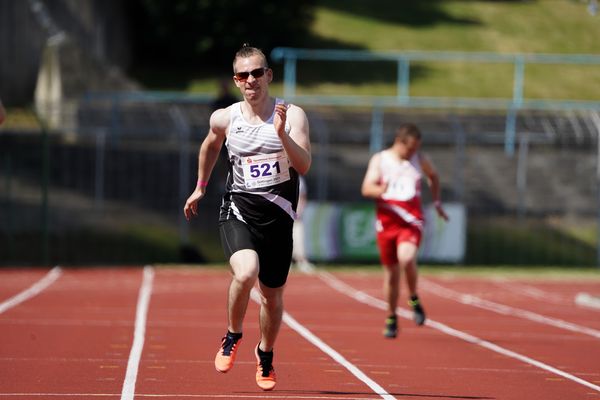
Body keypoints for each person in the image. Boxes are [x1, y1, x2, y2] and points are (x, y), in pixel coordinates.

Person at [183, 44, 311, 391]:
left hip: (280, 218)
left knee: (271, 296)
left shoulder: (292, 115)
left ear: (268, 75)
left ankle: (265, 354)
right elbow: (210, 145)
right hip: (238, 209)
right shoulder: (225, 117)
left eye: (257, 72)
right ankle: (232, 334)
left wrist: (282, 134)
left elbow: (303, 165)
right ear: (236, 81)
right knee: (246, 271)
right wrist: (201, 186)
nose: (251, 80)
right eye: (243, 75)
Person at [361, 123, 448, 338]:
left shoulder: (419, 159)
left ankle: (413, 296)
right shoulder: (380, 159)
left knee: (407, 258)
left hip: (412, 221)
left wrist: (437, 202)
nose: (412, 153)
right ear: (399, 142)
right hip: (387, 222)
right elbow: (366, 188)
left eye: (416, 149)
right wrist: (381, 189)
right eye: (409, 148)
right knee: (391, 274)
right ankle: (391, 317)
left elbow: (434, 176)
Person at [292, 175, 315, 272]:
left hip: (297, 216)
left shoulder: (300, 179)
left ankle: (302, 261)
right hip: (284, 215)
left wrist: (299, 212)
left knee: (299, 239)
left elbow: (303, 197)